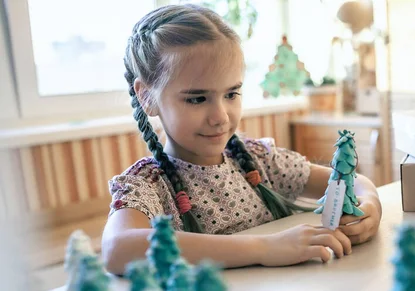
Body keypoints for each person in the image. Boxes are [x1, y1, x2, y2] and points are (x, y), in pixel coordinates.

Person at [102, 4, 382, 275]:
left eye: (231, 94)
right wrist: (263, 248)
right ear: (147, 97)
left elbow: (350, 181)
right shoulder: (148, 184)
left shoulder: (258, 160)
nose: (220, 117)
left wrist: (370, 205)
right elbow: (118, 249)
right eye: (197, 98)